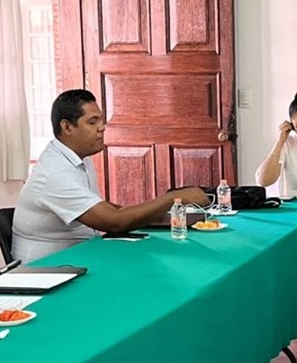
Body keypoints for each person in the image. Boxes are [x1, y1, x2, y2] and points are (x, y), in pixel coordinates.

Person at [12, 89, 208, 261]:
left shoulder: (79, 158)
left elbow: (104, 209)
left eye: (101, 120)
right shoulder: (54, 173)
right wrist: (173, 198)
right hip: (47, 271)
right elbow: (113, 221)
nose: (102, 127)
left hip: (80, 256)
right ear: (67, 127)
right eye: (92, 122)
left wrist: (160, 217)